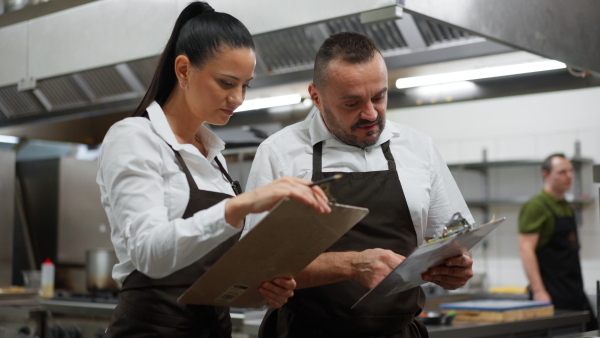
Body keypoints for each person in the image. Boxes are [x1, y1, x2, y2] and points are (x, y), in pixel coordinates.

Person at [96, 2, 330, 337]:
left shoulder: (215, 156)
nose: (238, 98)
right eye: (226, 82)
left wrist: (263, 283)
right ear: (183, 70)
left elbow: (217, 267)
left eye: (245, 85)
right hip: (150, 328)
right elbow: (149, 253)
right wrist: (240, 205)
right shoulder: (134, 137)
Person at [245, 31, 475, 338]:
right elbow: (254, 265)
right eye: (352, 102)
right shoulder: (279, 153)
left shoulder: (419, 148)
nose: (370, 114)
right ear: (316, 96)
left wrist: (455, 268)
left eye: (379, 97)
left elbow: (452, 236)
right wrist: (350, 265)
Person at [519, 154, 597, 331]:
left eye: (570, 171)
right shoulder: (536, 206)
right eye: (562, 172)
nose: (568, 176)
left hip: (574, 291)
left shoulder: (566, 206)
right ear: (545, 175)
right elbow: (526, 250)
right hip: (551, 295)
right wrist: (539, 292)